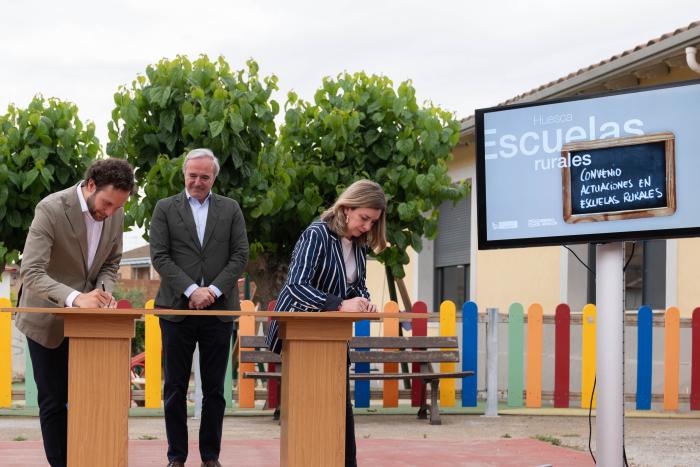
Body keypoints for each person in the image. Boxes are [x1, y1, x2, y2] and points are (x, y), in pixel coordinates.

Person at [16, 158, 135, 467]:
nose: (110, 212)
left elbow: (111, 262)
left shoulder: (116, 211)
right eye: (107, 203)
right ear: (90, 185)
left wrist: (104, 291)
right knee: (54, 402)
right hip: (46, 319)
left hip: (92, 325)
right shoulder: (51, 209)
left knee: (90, 399)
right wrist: (76, 298)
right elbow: (31, 271)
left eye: (116, 208)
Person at [266, 179, 387, 467]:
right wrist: (340, 304)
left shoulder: (359, 245)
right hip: (299, 334)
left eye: (373, 221)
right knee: (315, 410)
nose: (368, 227)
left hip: (333, 338)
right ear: (346, 208)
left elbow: (357, 286)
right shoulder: (316, 234)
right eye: (364, 218)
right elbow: (296, 286)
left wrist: (364, 301)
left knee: (340, 409)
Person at [149, 148, 249, 467]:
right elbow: (159, 256)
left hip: (219, 311)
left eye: (204, 176)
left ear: (213, 177)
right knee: (175, 388)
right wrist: (192, 290)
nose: (197, 181)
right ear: (184, 174)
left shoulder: (231, 209)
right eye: (192, 175)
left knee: (215, 390)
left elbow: (240, 256)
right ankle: (176, 456)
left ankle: (210, 456)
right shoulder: (165, 208)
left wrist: (214, 290)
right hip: (177, 310)